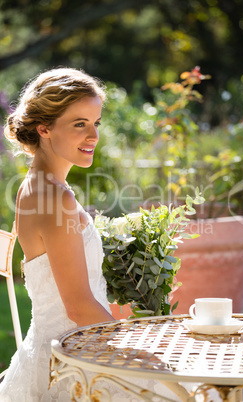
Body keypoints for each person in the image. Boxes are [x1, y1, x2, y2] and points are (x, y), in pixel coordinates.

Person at [0, 68, 179, 401]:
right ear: (44, 128)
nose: (93, 136)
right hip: (76, 363)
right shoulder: (55, 198)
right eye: (79, 124)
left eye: (96, 123)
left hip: (56, 350)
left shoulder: (36, 187)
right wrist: (136, 347)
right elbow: (79, 307)